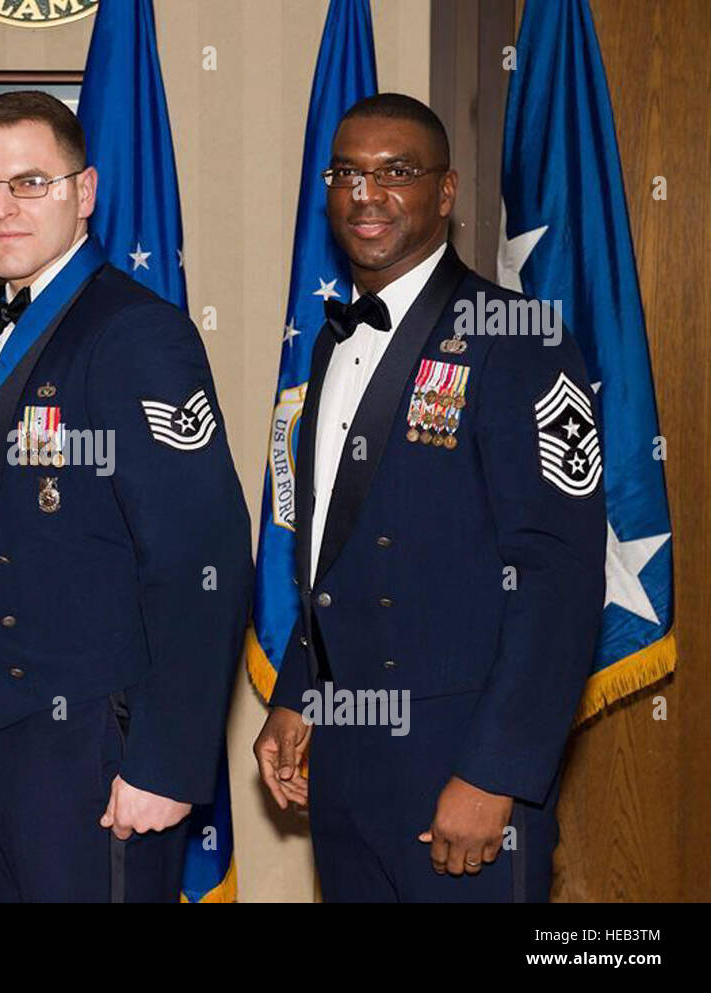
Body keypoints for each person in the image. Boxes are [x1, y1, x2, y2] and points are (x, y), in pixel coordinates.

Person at [253, 93, 606, 902]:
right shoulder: (329, 345)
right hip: (343, 768)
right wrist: (296, 696)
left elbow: (558, 576)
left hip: (461, 767)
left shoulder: (520, 337)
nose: (365, 193)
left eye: (396, 172)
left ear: (445, 193)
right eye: (347, 173)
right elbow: (329, 553)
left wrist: (496, 772)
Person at [0, 91, 252, 902]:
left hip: (102, 746)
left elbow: (202, 557)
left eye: (31, 182)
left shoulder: (134, 334)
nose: (2, 207)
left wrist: (167, 760)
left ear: (85, 192)